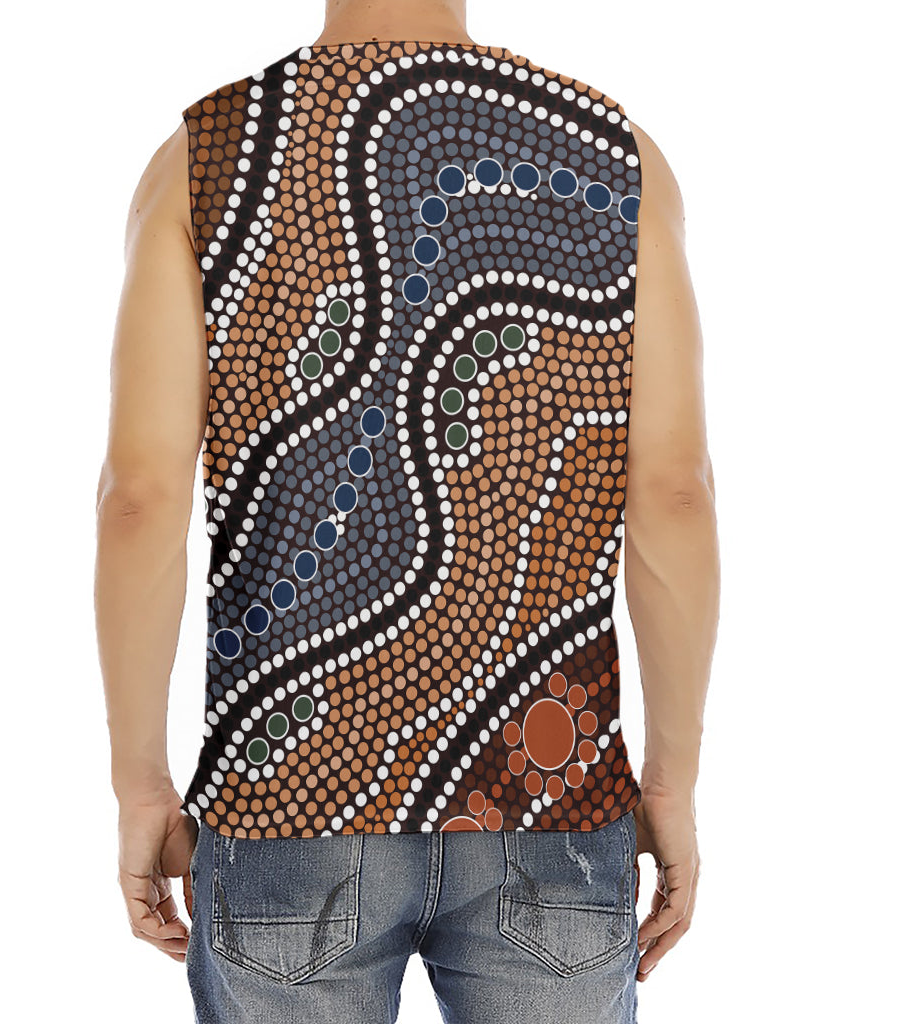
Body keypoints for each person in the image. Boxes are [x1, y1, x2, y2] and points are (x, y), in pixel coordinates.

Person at [94, 1, 719, 1020]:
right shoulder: (612, 154)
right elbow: (675, 490)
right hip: (550, 791)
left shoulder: (208, 157)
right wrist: (670, 785)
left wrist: (140, 788)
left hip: (288, 798)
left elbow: (141, 498)